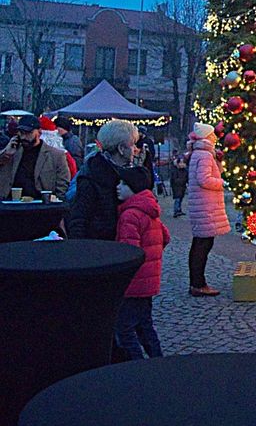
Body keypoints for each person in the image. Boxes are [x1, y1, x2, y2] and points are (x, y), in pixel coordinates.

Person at [113, 177, 170, 360]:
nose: (118, 187)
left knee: (124, 328)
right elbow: (165, 237)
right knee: (145, 325)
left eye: (123, 183)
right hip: (148, 281)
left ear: (134, 187)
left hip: (134, 282)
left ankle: (137, 365)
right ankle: (157, 361)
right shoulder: (149, 208)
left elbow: (129, 252)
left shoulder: (130, 214)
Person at [67, 119, 152, 240]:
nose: (135, 149)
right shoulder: (92, 176)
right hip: (100, 245)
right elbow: (79, 220)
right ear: (121, 149)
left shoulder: (127, 172)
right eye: (132, 144)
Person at [187, 123, 230, 297]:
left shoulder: (201, 153)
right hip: (206, 206)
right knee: (203, 245)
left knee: (200, 243)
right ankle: (198, 283)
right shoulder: (204, 155)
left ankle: (196, 282)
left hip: (203, 205)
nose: (215, 137)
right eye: (212, 134)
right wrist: (223, 183)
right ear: (207, 136)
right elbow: (204, 179)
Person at [0, 114, 70, 200]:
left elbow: (62, 184)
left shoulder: (56, 155)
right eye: (21, 133)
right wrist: (5, 153)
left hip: (41, 203)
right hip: (12, 202)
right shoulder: (13, 152)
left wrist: (55, 202)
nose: (24, 137)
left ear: (39, 132)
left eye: (28, 133)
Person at [170, 152, 188, 217]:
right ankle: (176, 211)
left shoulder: (185, 170)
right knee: (177, 199)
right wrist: (183, 181)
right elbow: (174, 180)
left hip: (182, 187)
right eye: (181, 163)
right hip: (177, 187)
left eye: (183, 163)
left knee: (180, 199)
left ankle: (179, 210)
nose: (182, 164)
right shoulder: (175, 170)